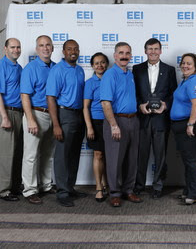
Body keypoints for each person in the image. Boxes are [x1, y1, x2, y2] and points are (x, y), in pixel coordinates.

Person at [132, 38, 177, 199]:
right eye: (149, 49)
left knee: (160, 155)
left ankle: (158, 186)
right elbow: (134, 93)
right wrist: (139, 105)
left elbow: (173, 93)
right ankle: (138, 185)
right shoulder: (136, 69)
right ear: (145, 51)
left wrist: (166, 105)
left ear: (161, 51)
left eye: (156, 49)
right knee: (141, 155)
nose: (153, 52)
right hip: (143, 119)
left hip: (161, 119)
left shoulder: (169, 70)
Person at [100, 42, 142, 207]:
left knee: (132, 159)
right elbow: (105, 103)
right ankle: (115, 193)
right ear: (115, 56)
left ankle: (128, 190)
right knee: (114, 159)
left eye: (127, 53)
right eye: (121, 53)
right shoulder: (110, 75)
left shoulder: (130, 75)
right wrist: (113, 125)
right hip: (117, 121)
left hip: (134, 119)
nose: (124, 56)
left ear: (130, 56)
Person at [46, 39, 86, 207]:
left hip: (79, 115)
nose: (73, 51)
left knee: (74, 154)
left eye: (76, 49)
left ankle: (69, 187)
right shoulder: (57, 70)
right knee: (62, 155)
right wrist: (56, 124)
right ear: (63, 51)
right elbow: (50, 98)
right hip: (64, 114)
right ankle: (62, 192)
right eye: (69, 49)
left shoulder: (80, 70)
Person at [20, 35, 56, 205]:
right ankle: (30, 190)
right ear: (37, 49)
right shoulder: (30, 68)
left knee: (48, 154)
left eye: (48, 45)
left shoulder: (56, 68)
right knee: (31, 155)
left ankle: (46, 185)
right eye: (41, 45)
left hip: (53, 115)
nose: (45, 48)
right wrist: (30, 119)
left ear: (53, 48)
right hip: (36, 114)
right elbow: (25, 95)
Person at [170, 53, 196, 205]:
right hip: (181, 125)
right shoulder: (185, 81)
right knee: (188, 160)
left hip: (192, 125)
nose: (185, 66)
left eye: (189, 64)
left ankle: (195, 193)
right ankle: (189, 190)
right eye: (183, 63)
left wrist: (190, 124)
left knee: (192, 160)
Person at [0, 38, 23, 201]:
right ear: (5, 49)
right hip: (6, 113)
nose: (16, 50)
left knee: (18, 152)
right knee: (6, 153)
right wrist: (4, 117)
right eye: (12, 47)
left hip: (19, 113)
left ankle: (15, 186)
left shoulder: (19, 68)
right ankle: (4, 190)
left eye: (18, 47)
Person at [83, 52, 110, 203]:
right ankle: (99, 187)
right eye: (96, 63)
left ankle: (106, 184)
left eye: (102, 62)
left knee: (108, 155)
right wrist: (89, 127)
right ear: (92, 66)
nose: (100, 65)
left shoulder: (111, 79)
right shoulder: (90, 83)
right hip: (96, 122)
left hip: (110, 121)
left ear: (106, 64)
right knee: (98, 154)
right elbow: (85, 107)